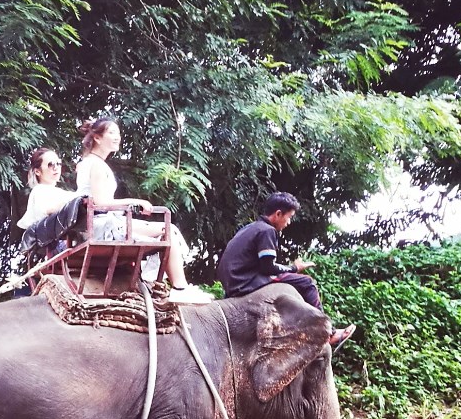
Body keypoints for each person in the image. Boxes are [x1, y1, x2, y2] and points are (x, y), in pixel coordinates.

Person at [72, 117, 207, 303]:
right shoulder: (95, 164)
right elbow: (101, 202)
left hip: (102, 222)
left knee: (168, 231)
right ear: (97, 138)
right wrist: (136, 201)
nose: (117, 137)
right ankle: (180, 287)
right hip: (104, 224)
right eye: (111, 132)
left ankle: (170, 284)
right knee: (167, 230)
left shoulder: (89, 162)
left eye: (118, 133)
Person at [219, 192, 354, 347]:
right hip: (246, 281)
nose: (288, 222)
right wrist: (295, 268)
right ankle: (328, 333)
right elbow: (268, 267)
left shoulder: (251, 227)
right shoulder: (267, 231)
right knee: (307, 283)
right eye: (289, 217)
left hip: (234, 281)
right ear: (278, 214)